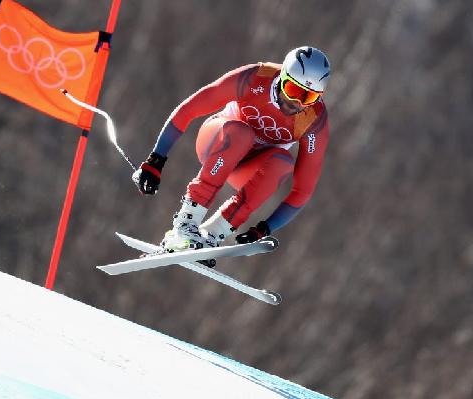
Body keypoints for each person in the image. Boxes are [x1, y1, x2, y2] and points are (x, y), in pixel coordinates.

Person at [132, 46, 330, 254]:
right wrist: (156, 160)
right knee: (242, 134)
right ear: (282, 77)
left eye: (308, 97)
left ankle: (214, 234)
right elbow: (189, 109)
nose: (296, 102)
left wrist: (265, 228)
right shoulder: (256, 78)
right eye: (293, 90)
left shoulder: (314, 121)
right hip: (218, 142)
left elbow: (302, 190)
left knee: (283, 162)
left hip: (247, 168)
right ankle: (184, 224)